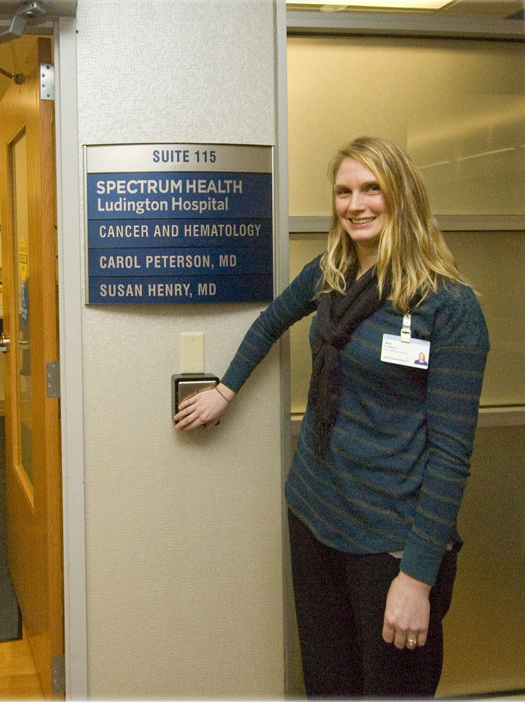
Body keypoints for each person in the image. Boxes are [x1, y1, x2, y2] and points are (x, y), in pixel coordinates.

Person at [174, 137, 489, 697]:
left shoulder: (449, 306)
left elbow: (449, 456)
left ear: (403, 195)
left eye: (372, 189)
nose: (356, 204)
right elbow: (271, 321)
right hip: (314, 515)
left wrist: (416, 576)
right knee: (327, 684)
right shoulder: (331, 274)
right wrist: (225, 390)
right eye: (344, 191)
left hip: (390, 543)